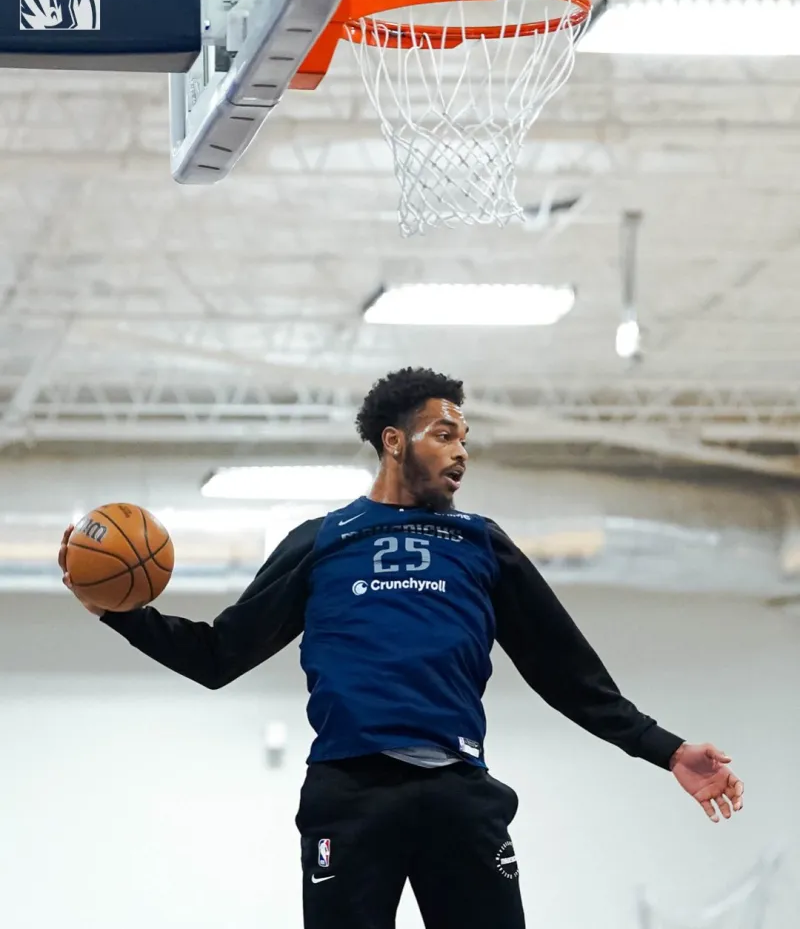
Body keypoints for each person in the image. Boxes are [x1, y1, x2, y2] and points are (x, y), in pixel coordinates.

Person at [58, 367, 744, 929]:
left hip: (458, 794)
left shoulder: (482, 541)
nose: (461, 451)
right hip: (349, 797)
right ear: (393, 440)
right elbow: (218, 656)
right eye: (444, 433)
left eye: (466, 437)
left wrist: (665, 747)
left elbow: (566, 672)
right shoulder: (323, 539)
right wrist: (120, 613)